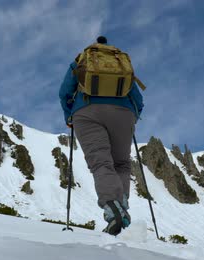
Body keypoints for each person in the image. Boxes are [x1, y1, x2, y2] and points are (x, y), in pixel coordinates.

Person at [58, 36, 144, 236]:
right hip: (123, 114)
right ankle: (121, 208)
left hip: (86, 112)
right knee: (121, 163)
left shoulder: (81, 60)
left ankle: (111, 208)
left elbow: (64, 92)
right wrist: (132, 117)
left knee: (100, 162)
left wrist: (69, 115)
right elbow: (137, 98)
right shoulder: (121, 62)